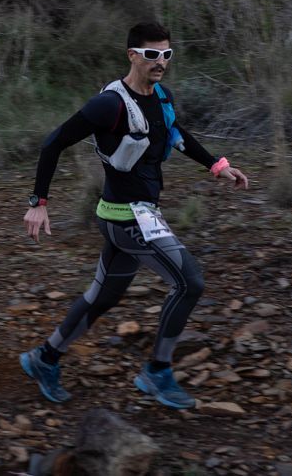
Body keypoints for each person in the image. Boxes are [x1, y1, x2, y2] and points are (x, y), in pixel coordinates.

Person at [19, 22, 249, 409]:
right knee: (189, 282)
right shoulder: (109, 104)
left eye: (166, 55)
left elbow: (177, 133)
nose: (160, 62)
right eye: (151, 55)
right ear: (132, 55)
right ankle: (157, 372)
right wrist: (38, 202)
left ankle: (45, 358)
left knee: (103, 297)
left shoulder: (161, 96)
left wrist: (216, 166)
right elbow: (53, 142)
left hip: (135, 214)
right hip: (127, 218)